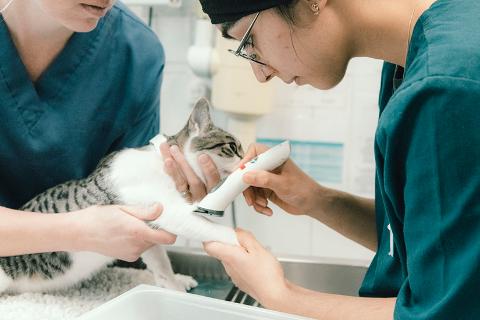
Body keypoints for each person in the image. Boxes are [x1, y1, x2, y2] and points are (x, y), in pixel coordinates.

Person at [161, 0, 480, 318]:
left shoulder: (443, 88)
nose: (260, 75)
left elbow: (445, 312)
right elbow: (437, 240)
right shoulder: (424, 53)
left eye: (251, 42)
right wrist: (316, 199)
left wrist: (280, 295)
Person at [0, 0, 175, 261]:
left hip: (81, 277)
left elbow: (136, 199)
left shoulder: (136, 54)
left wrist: (181, 188)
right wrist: (78, 231)